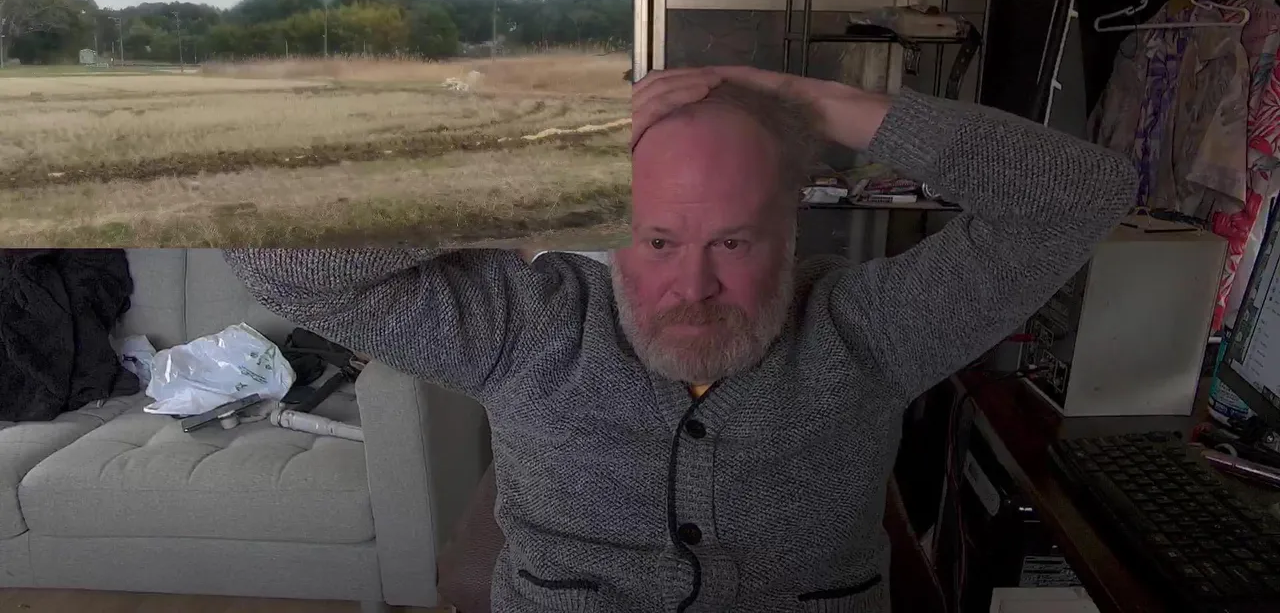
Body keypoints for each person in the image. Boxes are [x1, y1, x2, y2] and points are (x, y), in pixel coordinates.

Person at [224, 66, 1137, 613]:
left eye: (733, 243)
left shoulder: (870, 332)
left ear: (791, 231)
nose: (694, 287)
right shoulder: (525, 327)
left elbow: (1080, 194)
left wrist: (812, 101)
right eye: (659, 241)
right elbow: (279, 258)